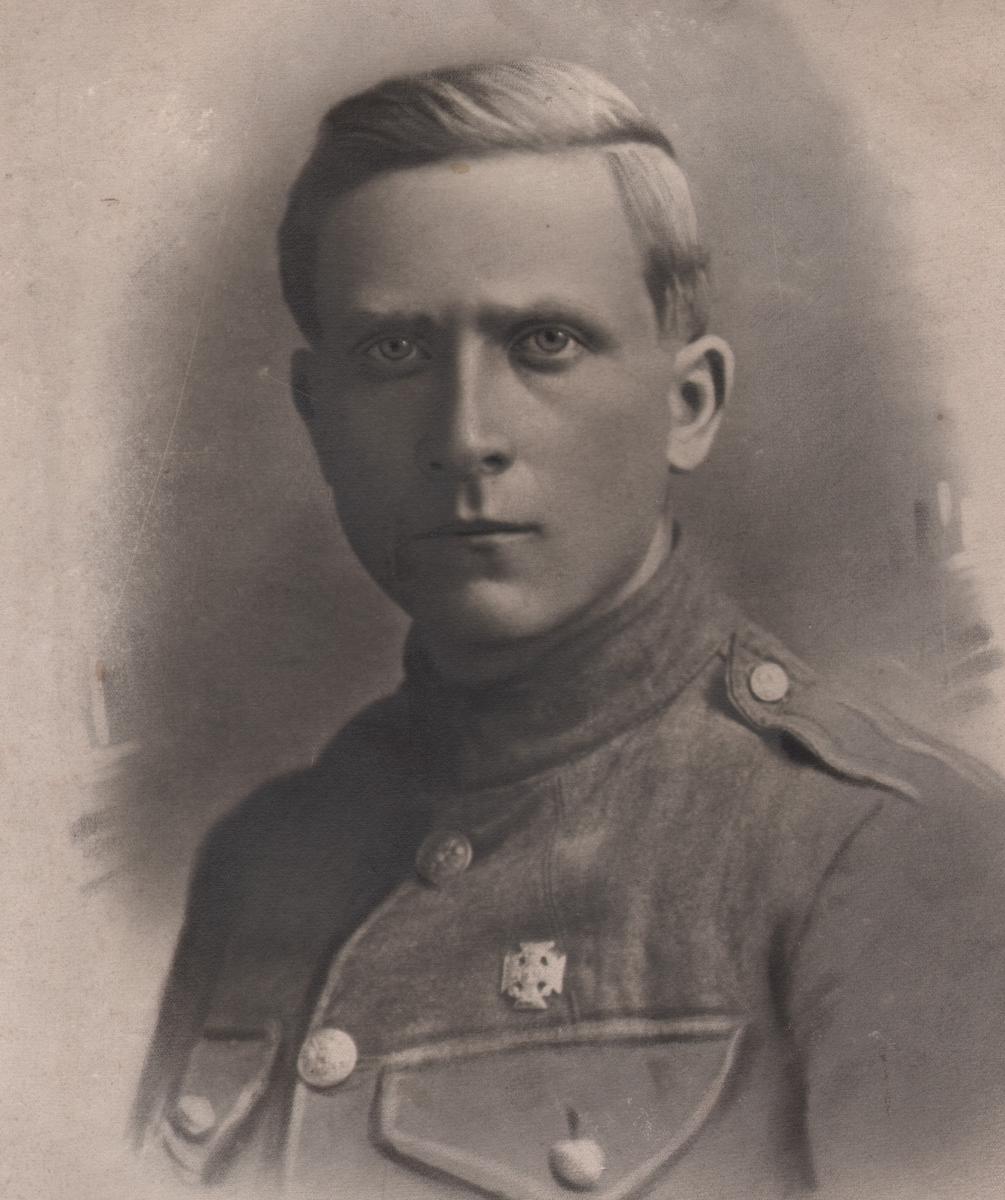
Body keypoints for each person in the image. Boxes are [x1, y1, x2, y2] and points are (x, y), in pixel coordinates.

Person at [132, 59, 1005, 1199]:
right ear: (317, 413)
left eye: (544, 343)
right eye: (394, 352)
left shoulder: (893, 853)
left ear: (688, 405)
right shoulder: (263, 861)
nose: (465, 434)